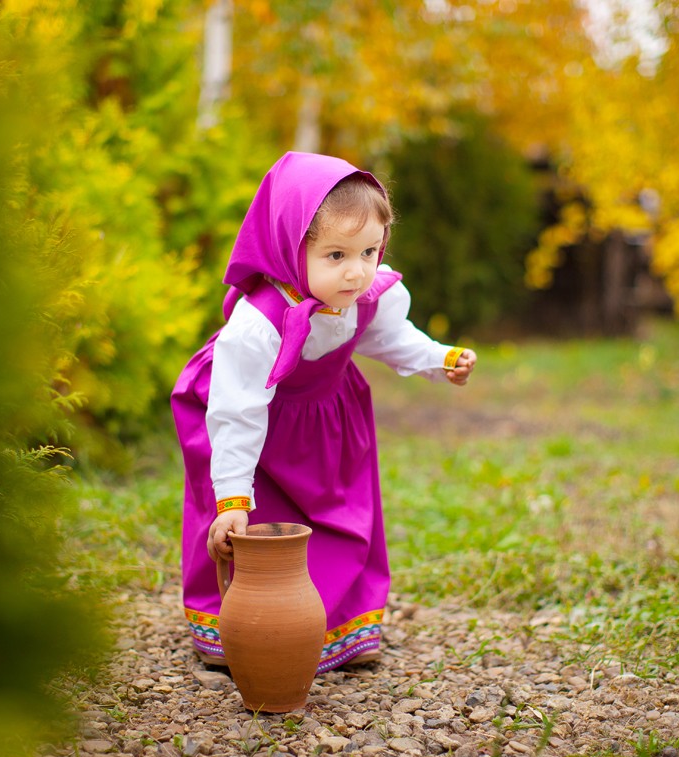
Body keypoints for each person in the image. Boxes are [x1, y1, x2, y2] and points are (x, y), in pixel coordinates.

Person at [171, 151, 477, 672]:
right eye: (336, 255)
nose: (357, 272)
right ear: (291, 247)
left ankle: (336, 628)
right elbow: (237, 414)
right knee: (251, 529)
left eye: (369, 251)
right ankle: (242, 630)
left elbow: (391, 337)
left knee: (340, 516)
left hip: (328, 419)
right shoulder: (258, 324)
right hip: (251, 424)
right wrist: (232, 501)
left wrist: (436, 358)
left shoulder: (367, 294)